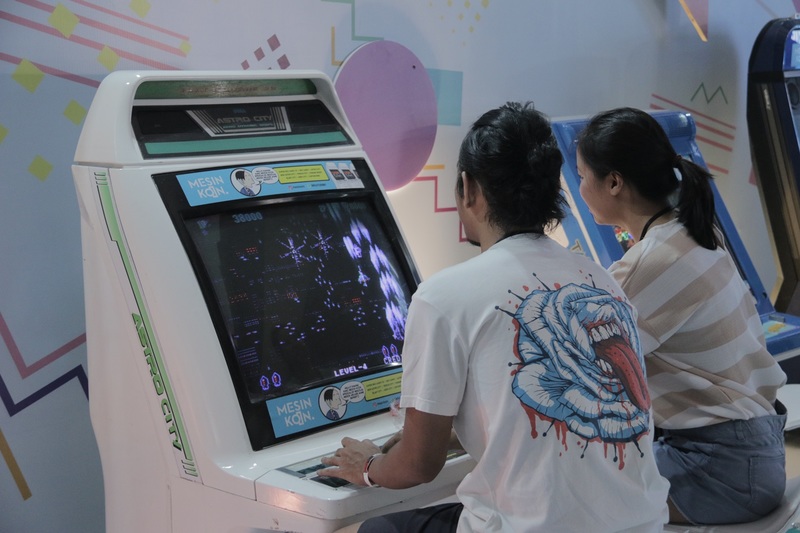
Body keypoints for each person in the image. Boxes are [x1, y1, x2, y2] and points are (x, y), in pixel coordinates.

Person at [318, 102, 669, 532]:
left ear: (468, 188)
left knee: (367, 528)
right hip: (646, 525)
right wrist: (436, 431)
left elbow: (417, 468)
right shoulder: (603, 282)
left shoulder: (441, 297)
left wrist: (369, 464)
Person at [575, 106, 788, 526]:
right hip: (754, 454)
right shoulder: (695, 229)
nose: (578, 188)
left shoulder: (647, 265)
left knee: (564, 490)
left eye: (582, 176)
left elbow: (588, 375)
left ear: (614, 181)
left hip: (720, 471)